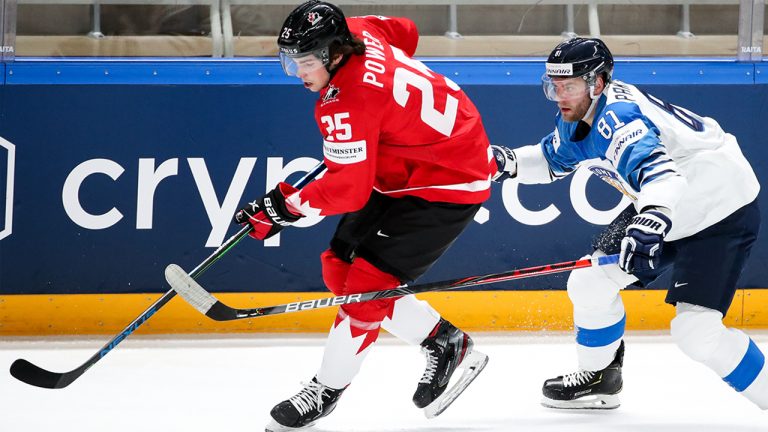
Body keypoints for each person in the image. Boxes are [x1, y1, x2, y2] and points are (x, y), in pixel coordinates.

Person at [233, 1, 494, 430]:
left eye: (307, 60)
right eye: (291, 59)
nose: (299, 71)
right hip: (407, 164)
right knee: (340, 270)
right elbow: (405, 32)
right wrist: (386, 118)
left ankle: (325, 390)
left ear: (336, 52)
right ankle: (447, 342)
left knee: (367, 288)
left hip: (448, 180)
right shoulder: (358, 29)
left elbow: (348, 191)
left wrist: (283, 208)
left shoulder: (343, 103)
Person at [493, 38, 766, 410]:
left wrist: (650, 223)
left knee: (696, 333)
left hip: (718, 210)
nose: (559, 96)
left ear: (597, 83)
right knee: (590, 282)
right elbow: (552, 158)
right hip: (666, 205)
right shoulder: (580, 112)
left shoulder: (619, 118)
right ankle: (599, 378)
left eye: (568, 86)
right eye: (554, 86)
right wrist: (508, 161)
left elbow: (664, 179)